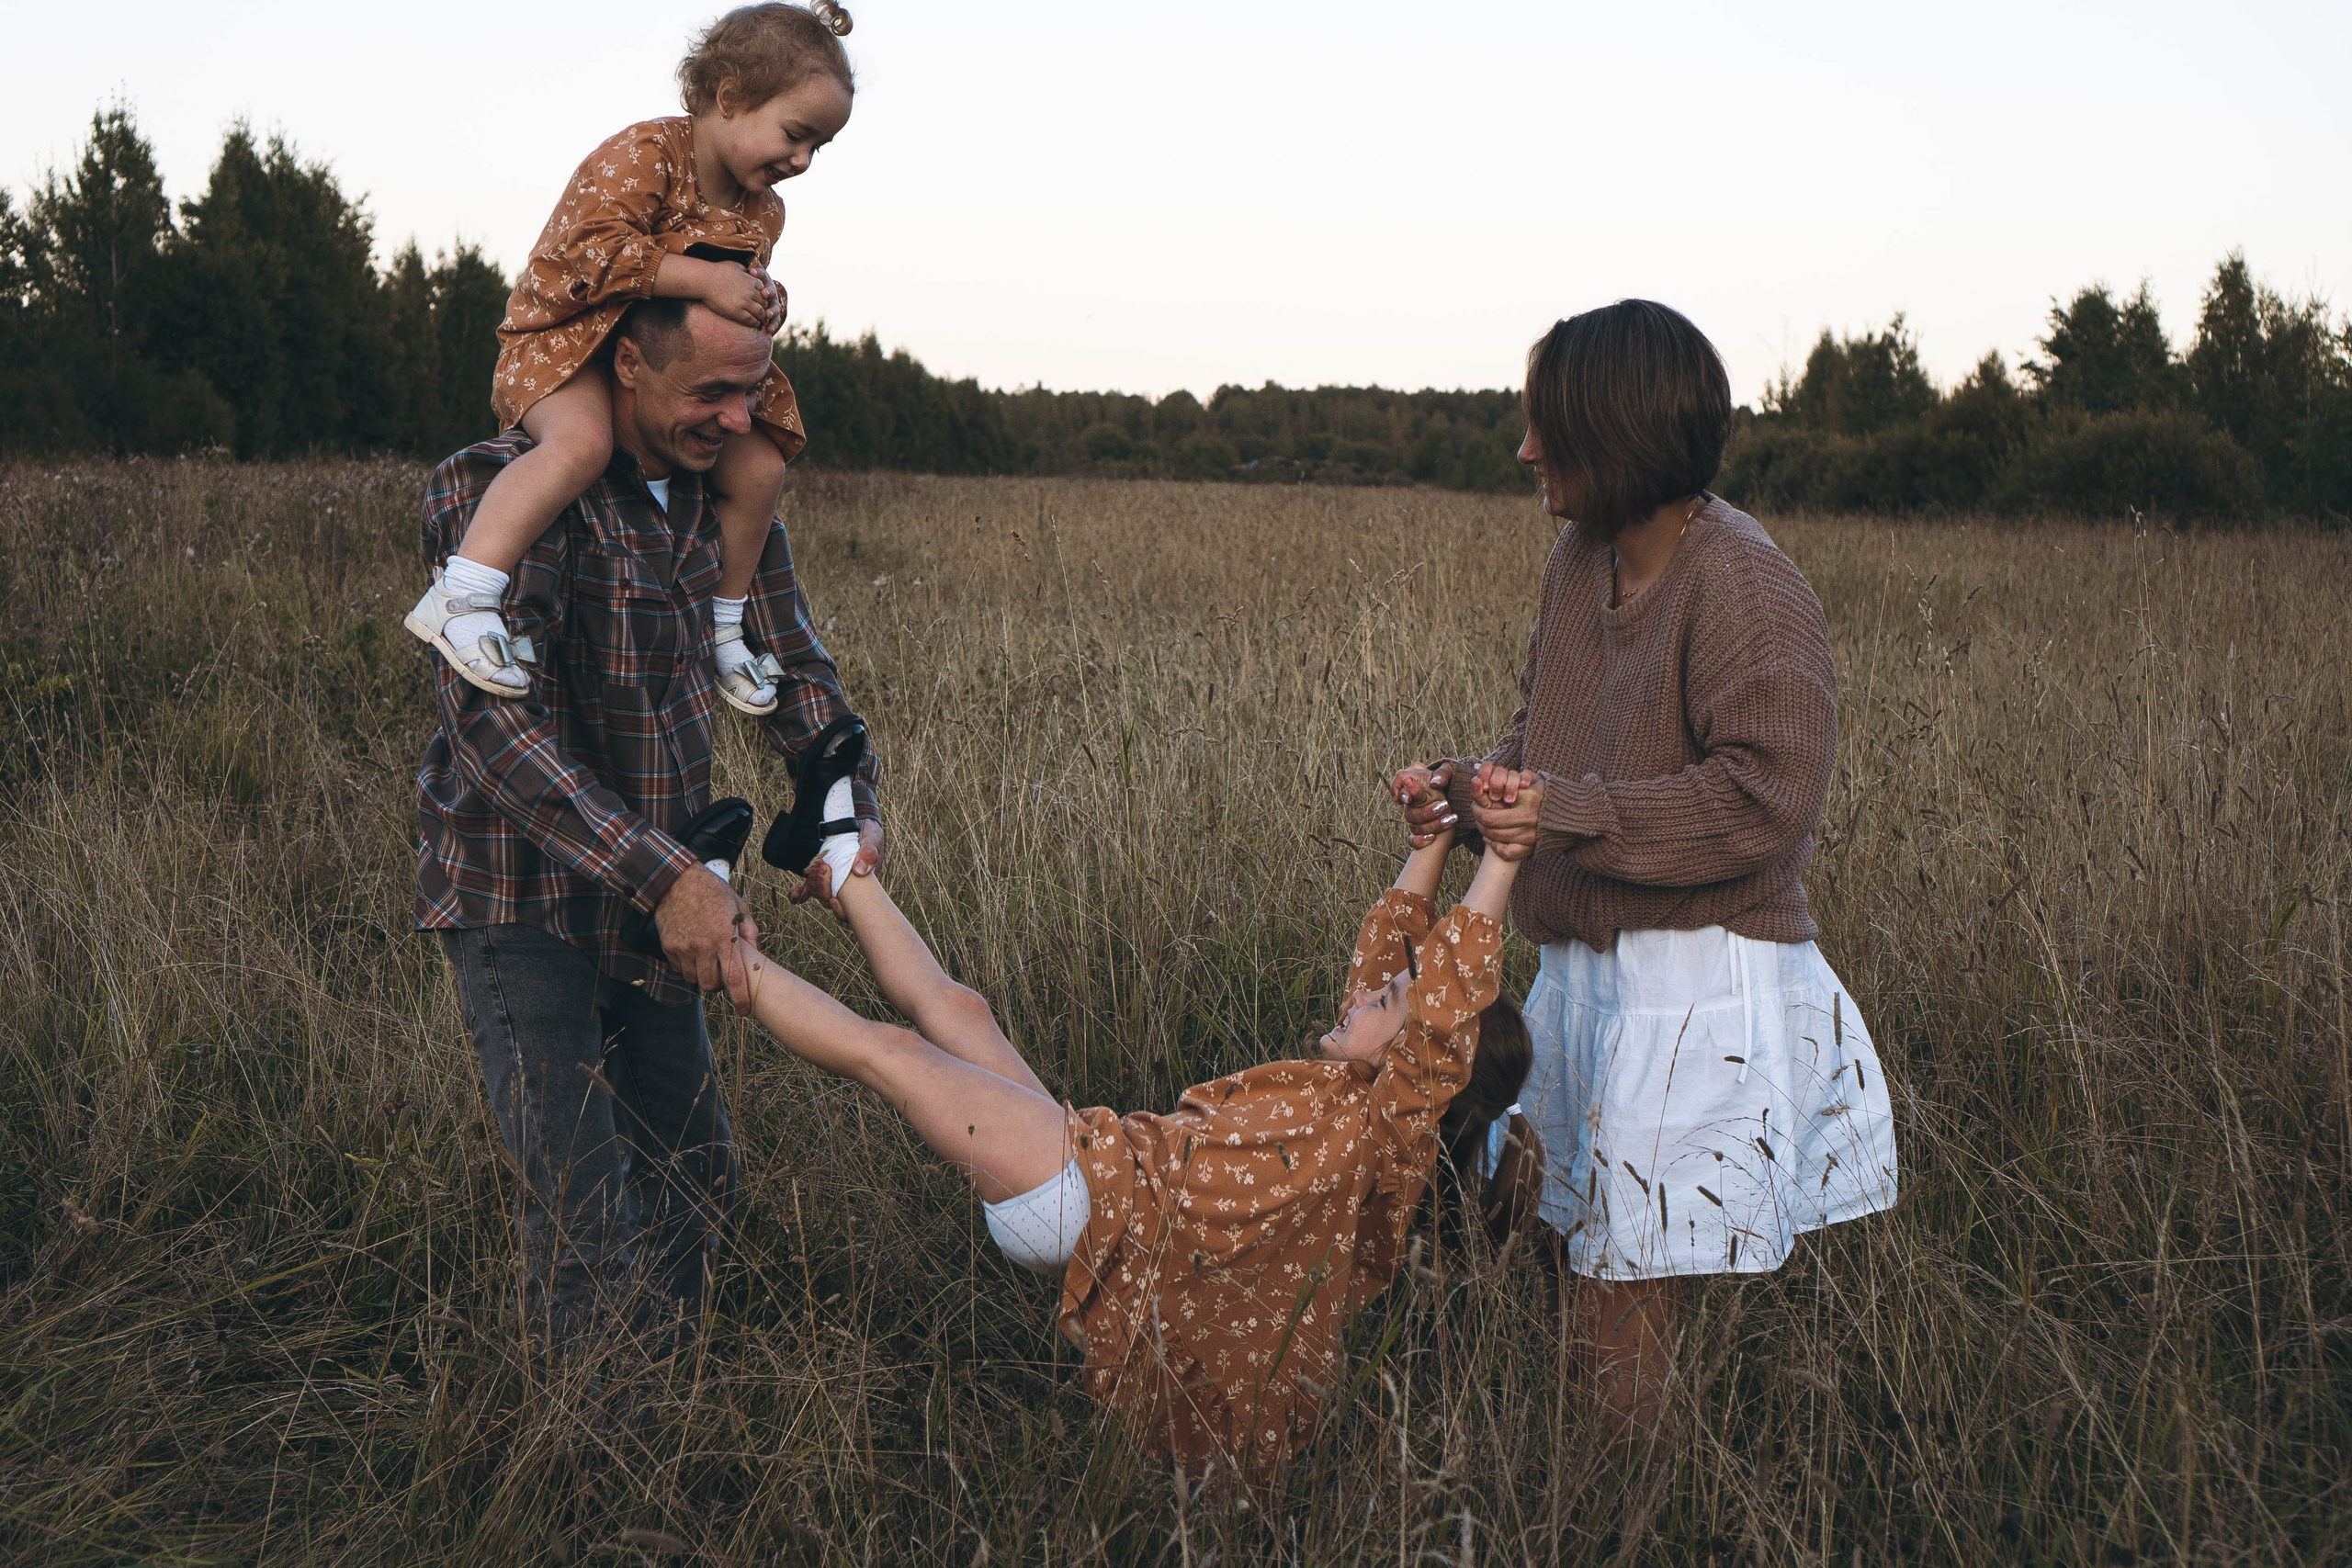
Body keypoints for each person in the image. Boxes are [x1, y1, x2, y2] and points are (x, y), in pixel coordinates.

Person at [1396, 299, 1900, 1439]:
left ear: (1613, 434)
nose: (1526, 451)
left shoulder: (1745, 582)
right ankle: (1592, 1486)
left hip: (1693, 981)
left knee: (1622, 1275)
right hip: (1588, 967)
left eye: (1547, 428)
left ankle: (1621, 1514)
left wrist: (1562, 811)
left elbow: (1767, 799)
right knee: (1559, 1232)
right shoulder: (1579, 561)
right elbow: (1548, 748)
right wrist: (1466, 789)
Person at [734, 773, 1539, 1483]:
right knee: (956, 1010)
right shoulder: (1352, 1078)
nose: (1365, 998)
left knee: (896, 1055)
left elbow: (1439, 1003)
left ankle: (727, 957)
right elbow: (1392, 955)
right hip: (1102, 1163)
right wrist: (1431, 835)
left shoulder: (1383, 1137)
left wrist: (1500, 862)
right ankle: (836, 857)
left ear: (1427, 1063)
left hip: (1097, 1201)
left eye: (1388, 1003)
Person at [415, 298, 882, 1358]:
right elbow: (492, 728)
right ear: (626, 363)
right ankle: (594, 1488)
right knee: (584, 1222)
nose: (734, 420)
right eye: (708, 392)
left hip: (668, 900)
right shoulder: (496, 488)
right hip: (520, 898)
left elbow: (796, 663)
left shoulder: (726, 502)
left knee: (693, 1178)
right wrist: (665, 876)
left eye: (752, 393)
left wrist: (842, 794)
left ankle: (673, 1434)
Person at [405, 1, 855, 716]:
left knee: (763, 465)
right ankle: (464, 593)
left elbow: (721, 296)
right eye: (796, 135)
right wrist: (708, 279)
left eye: (818, 148)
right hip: (564, 339)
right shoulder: (645, 154)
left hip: (657, 361)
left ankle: (724, 627)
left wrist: (763, 297)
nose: (801, 160)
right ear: (729, 97)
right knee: (582, 445)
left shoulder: (763, 210)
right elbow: (584, 257)